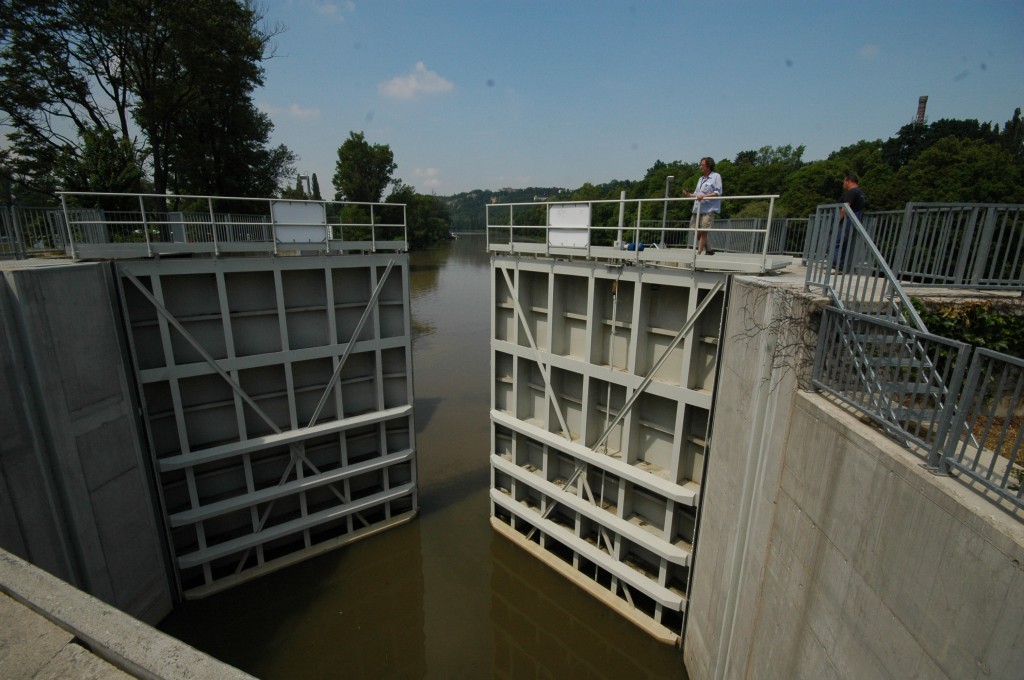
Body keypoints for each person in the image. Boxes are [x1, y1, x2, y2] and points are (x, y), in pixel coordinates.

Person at [682, 157, 722, 255]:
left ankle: (699, 253)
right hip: (697, 208)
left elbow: (718, 192)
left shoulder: (716, 176)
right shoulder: (701, 179)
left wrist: (704, 196)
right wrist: (688, 194)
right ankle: (708, 249)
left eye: (702, 165)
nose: (700, 167)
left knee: (704, 231)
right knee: (693, 229)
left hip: (708, 209)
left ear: (709, 166)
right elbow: (696, 194)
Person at [833, 173, 866, 270]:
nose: (843, 184)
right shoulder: (860, 192)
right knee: (843, 244)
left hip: (847, 221)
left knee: (837, 243)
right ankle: (841, 266)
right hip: (853, 221)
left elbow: (845, 208)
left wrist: (837, 220)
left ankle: (837, 266)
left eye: (844, 182)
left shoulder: (852, 192)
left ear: (849, 181)